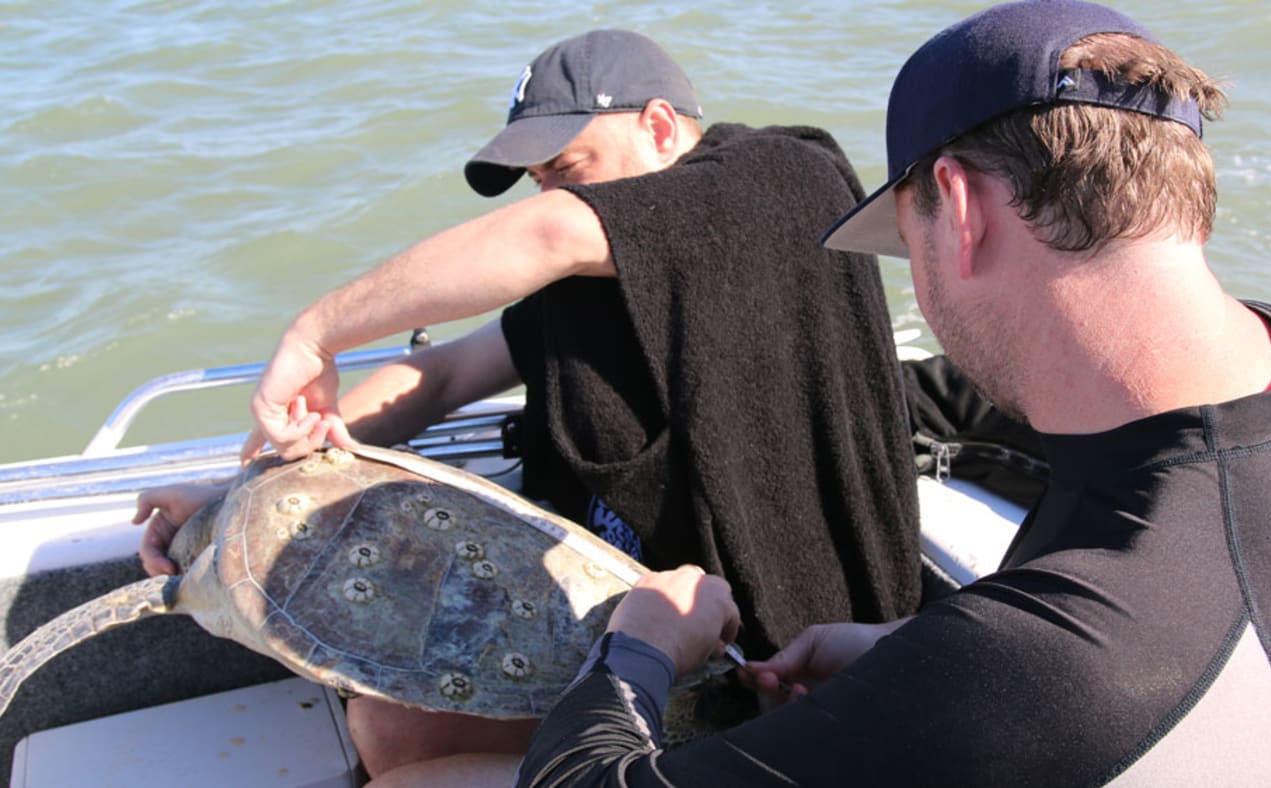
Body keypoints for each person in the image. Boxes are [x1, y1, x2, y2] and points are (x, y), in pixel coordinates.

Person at [513, 2, 1271, 785]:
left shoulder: (1054, 662)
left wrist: (641, 646)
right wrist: (907, 656)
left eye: (907, 243)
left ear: (960, 207)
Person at [135, 28, 923, 784]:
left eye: (565, 165)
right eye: (539, 178)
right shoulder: (584, 284)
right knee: (386, 725)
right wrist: (242, 490)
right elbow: (437, 378)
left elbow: (546, 236)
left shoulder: (778, 175)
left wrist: (315, 334)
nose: (550, 191)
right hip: (633, 634)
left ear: (656, 127)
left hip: (783, 663)